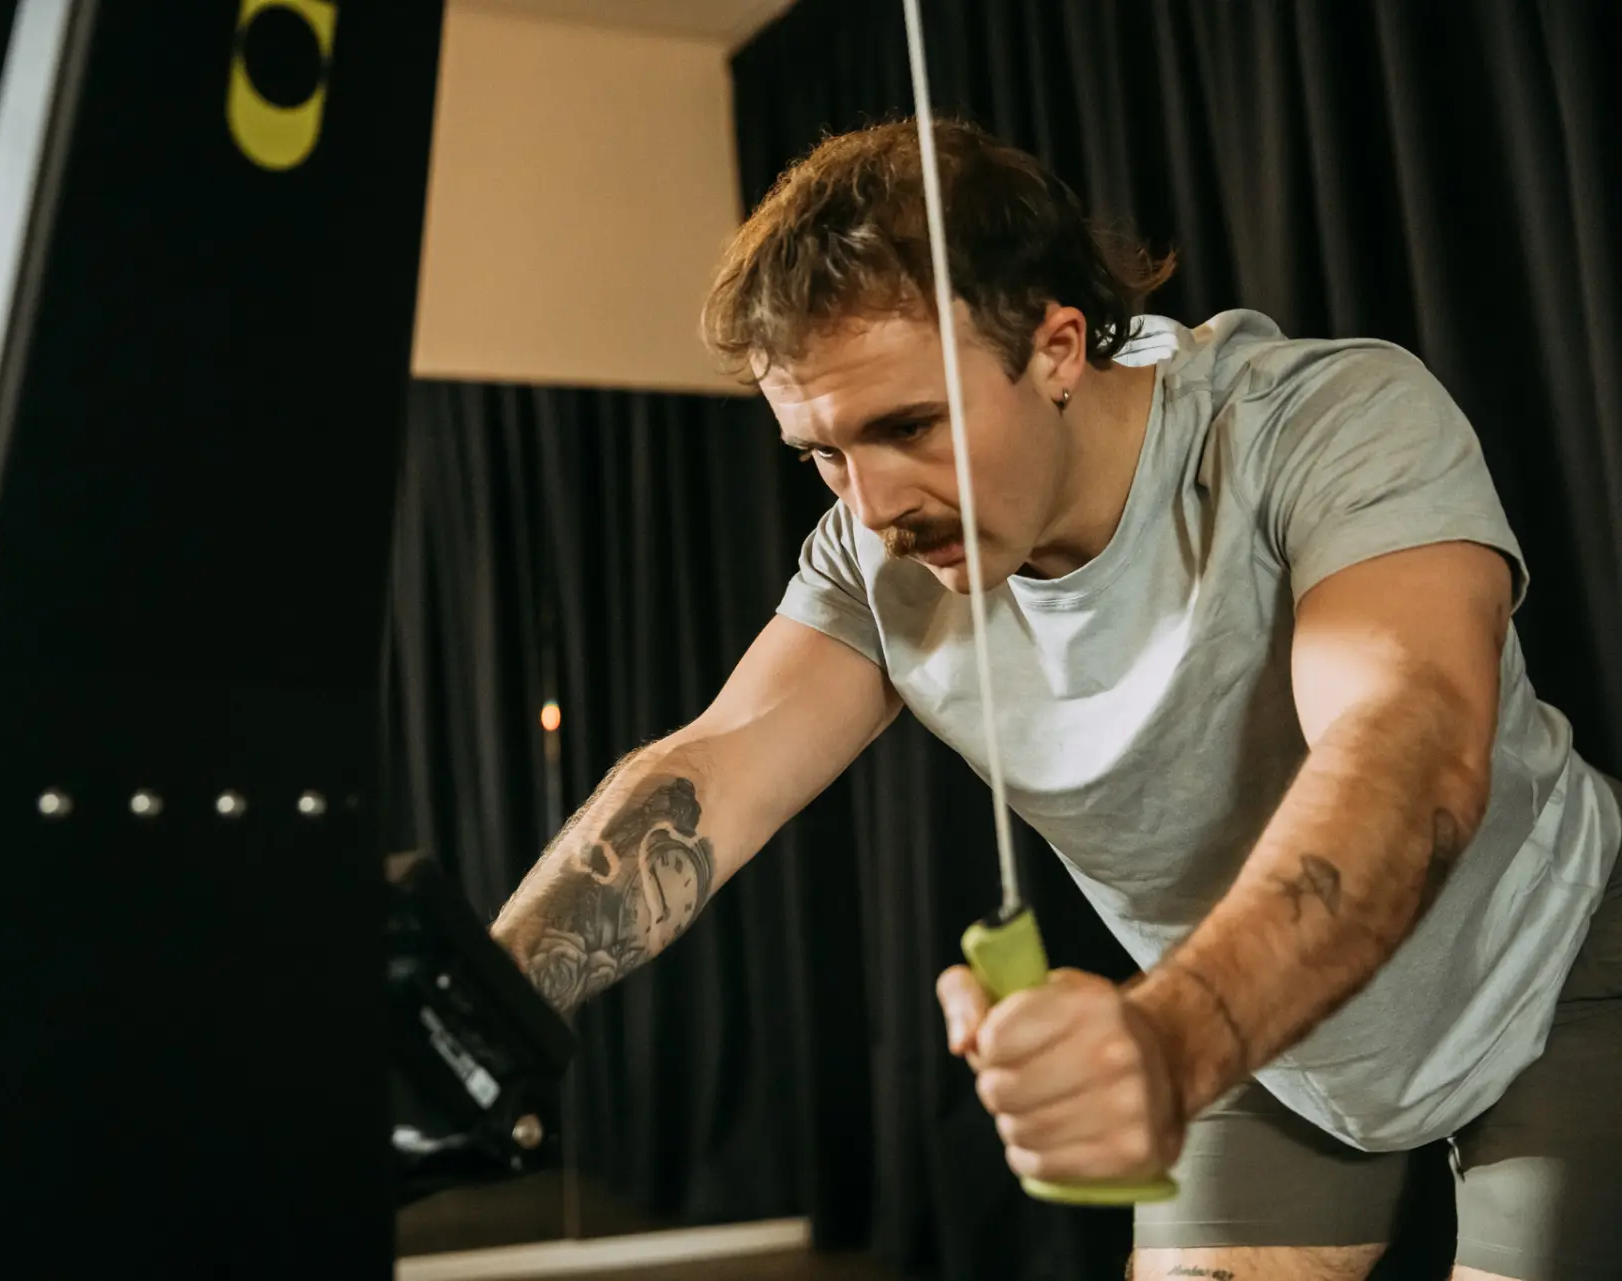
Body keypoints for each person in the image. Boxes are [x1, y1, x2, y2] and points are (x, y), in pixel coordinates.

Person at [488, 117, 1622, 1281]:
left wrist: (1164, 1045)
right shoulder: (872, 557)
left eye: (908, 426)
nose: (872, 504)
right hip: (1268, 1045)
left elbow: (1409, 744)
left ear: (1059, 347)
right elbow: (713, 767)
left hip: (1549, 975)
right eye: (822, 454)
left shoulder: (1318, 422)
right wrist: (484, 1008)